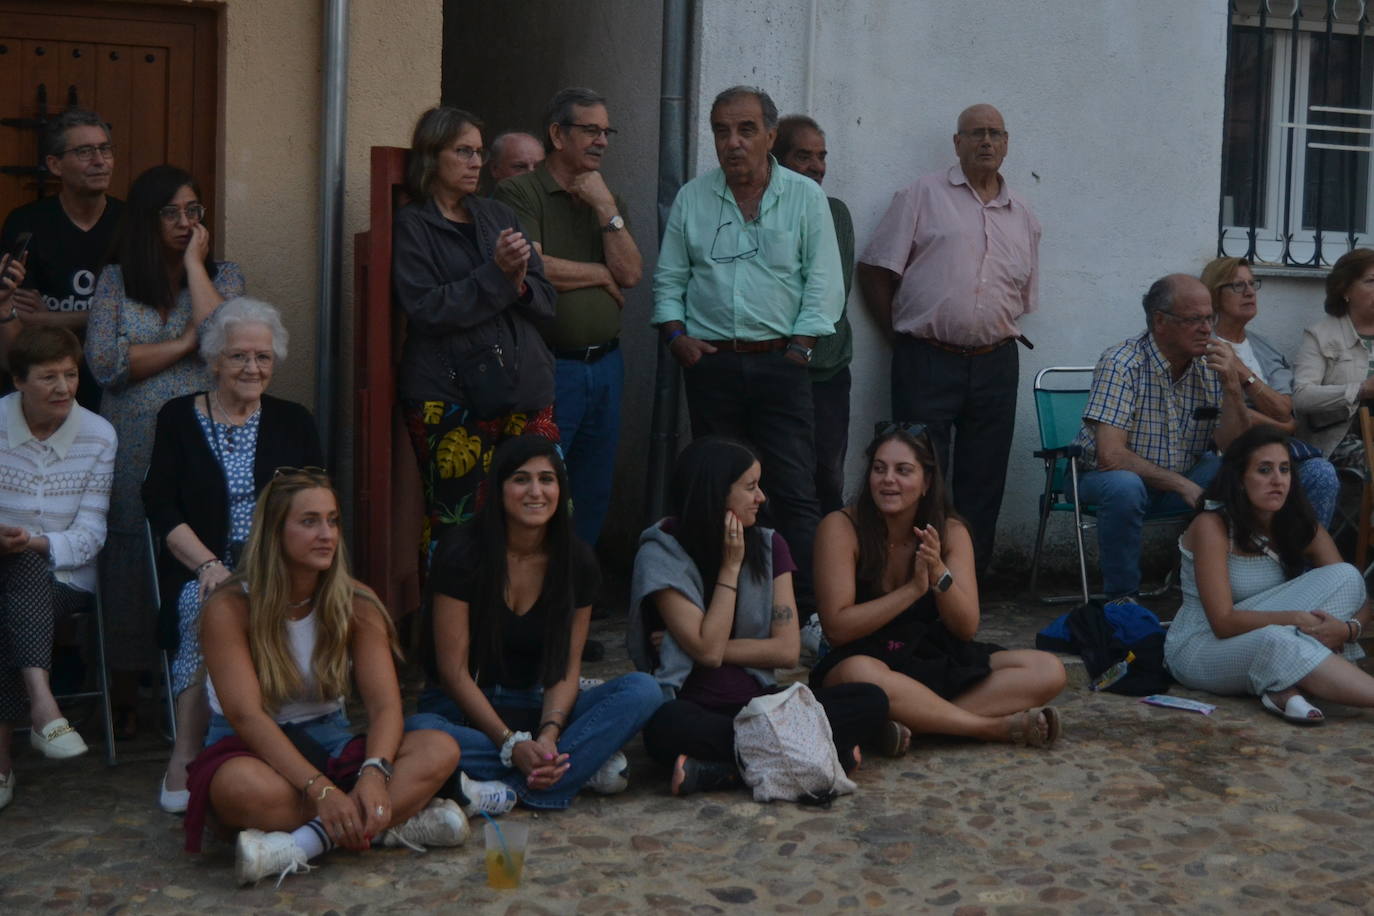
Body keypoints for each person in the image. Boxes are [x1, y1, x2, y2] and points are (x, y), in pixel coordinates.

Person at [187, 469, 465, 885]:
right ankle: (389, 823)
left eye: (333, 520)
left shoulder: (355, 601)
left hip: (329, 738)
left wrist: (373, 773)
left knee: (440, 748)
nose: (326, 534)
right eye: (309, 521)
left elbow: (386, 706)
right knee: (240, 789)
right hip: (250, 746)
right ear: (275, 531)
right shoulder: (229, 607)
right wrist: (322, 791)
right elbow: (247, 716)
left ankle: (302, 844)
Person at [653, 86, 844, 612]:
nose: (732, 143)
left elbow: (824, 282)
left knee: (793, 490)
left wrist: (800, 349)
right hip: (711, 365)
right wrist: (676, 338)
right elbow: (669, 280)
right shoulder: (695, 197)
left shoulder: (804, 198)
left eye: (745, 130)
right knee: (718, 491)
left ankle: (805, 610)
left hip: (782, 364)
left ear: (771, 137)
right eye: (721, 131)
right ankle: (729, 602)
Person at [406, 437, 663, 809]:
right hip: (466, 711)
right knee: (418, 733)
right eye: (521, 479)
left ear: (561, 490)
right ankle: (572, 768)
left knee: (643, 690)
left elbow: (565, 669)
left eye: (547, 479)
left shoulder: (577, 561)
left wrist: (547, 735)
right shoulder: (462, 553)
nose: (536, 491)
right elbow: (453, 672)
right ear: (498, 490)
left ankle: (517, 785)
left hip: (538, 703)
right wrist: (510, 744)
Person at [630, 437, 890, 796]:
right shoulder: (661, 552)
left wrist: (685, 641)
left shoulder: (770, 545)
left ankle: (723, 771)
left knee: (871, 700)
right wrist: (730, 566)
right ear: (716, 492)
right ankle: (813, 753)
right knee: (663, 729)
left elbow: (785, 650)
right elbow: (707, 653)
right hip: (693, 707)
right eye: (750, 487)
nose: (761, 497)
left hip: (764, 704)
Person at [143, 298, 323, 814]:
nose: (252, 368)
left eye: (262, 357)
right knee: (211, 605)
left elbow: (316, 501)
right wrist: (206, 565)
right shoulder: (178, 418)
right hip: (205, 565)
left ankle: (293, 741)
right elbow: (159, 503)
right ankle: (185, 753)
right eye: (239, 356)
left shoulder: (294, 421)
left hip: (281, 569)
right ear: (215, 360)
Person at [86, 164, 243, 738]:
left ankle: (203, 690)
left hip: (203, 440)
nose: (185, 223)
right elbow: (107, 365)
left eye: (194, 211)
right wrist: (185, 343)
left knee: (197, 551)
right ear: (147, 220)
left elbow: (225, 344)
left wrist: (198, 269)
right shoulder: (115, 280)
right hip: (131, 442)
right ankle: (125, 694)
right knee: (130, 555)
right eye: (172, 213)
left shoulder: (224, 275)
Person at [856, 104, 1040, 573]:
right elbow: (875, 268)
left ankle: (968, 579)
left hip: (996, 361)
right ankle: (913, 573)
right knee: (917, 472)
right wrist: (900, 338)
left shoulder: (1023, 216)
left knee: (985, 478)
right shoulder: (922, 195)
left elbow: (1021, 296)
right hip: (927, 359)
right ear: (956, 143)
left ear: (1007, 143)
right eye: (975, 133)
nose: (985, 142)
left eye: (994, 134)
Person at [810, 424, 1066, 747]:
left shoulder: (951, 532)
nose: (888, 479)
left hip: (929, 653)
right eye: (879, 469)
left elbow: (965, 628)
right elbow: (837, 628)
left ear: (927, 482)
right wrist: (911, 592)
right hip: (862, 659)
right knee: (863, 674)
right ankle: (987, 728)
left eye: (903, 470)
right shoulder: (841, 527)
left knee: (1048, 669)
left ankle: (912, 724)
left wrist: (938, 571)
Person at [392, 107, 558, 572]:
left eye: (480, 152)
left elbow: (545, 300)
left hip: (526, 390)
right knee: (458, 524)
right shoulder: (414, 225)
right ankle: (454, 638)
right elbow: (426, 308)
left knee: (541, 517)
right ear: (431, 157)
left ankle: (524, 630)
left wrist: (520, 281)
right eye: (462, 151)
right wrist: (498, 276)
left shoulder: (498, 214)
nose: (475, 162)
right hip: (448, 395)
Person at [495, 87, 642, 550]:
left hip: (606, 365)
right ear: (558, 134)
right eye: (590, 130)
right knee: (540, 484)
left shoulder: (606, 196)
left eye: (606, 131)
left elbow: (632, 273)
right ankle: (532, 591)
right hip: (550, 366)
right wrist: (601, 273)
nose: (601, 140)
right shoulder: (520, 191)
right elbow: (532, 266)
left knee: (592, 487)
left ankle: (577, 592)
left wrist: (604, 208)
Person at [1164, 425, 1374, 724]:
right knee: (1279, 639)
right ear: (1239, 479)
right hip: (1200, 646)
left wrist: (1348, 630)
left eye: (1285, 470)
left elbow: (1359, 598)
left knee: (1347, 576)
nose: (1277, 481)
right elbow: (1222, 623)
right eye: (1264, 470)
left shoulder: (1299, 525)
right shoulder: (1212, 525)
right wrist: (1297, 620)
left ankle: (1282, 687)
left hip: (1267, 631)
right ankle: (1289, 682)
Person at [1071, 275, 1250, 601]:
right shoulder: (1122, 363)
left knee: (1238, 472)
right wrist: (1182, 485)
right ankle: (1123, 602)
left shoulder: (1210, 365)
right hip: (1104, 480)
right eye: (1195, 320)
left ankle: (1225, 590)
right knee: (1126, 486)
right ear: (1160, 322)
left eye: (1209, 318)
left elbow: (1235, 449)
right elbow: (1110, 456)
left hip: (1181, 475)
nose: (1207, 329)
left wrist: (1233, 388)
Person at [0, 326, 116, 811]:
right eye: (48, 377)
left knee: (23, 567)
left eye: (70, 375)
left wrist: (35, 543)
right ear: (17, 381)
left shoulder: (98, 435)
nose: (64, 388)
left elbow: (92, 534)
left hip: (66, 579)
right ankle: (44, 704)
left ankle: (3, 759)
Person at [0, 108, 124, 411]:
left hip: (111, 378)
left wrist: (47, 319)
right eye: (84, 151)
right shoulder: (27, 223)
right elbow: (17, 316)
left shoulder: (132, 223)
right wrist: (103, 315)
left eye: (104, 149)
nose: (99, 161)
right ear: (55, 165)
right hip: (40, 375)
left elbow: (136, 317)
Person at [1202, 257, 1337, 526]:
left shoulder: (1265, 347)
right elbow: (1215, 410)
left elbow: (1285, 407)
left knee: (1321, 473)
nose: (1250, 292)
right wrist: (1279, 427)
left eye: (1253, 284)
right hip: (1226, 449)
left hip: (1275, 451)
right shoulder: (1205, 348)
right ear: (1215, 296)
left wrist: (1243, 373)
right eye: (1238, 286)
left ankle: (1304, 562)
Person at [774, 114, 855, 515]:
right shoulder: (764, 213)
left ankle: (827, 569)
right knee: (774, 478)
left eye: (821, 156)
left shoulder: (835, 212)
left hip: (825, 372)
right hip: (772, 369)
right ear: (777, 159)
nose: (817, 166)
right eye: (803, 156)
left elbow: (829, 295)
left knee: (827, 477)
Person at [1293, 247, 1374, 469]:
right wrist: (1361, 390)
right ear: (1345, 289)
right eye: (1371, 281)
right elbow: (1301, 397)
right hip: (1339, 440)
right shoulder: (1320, 336)